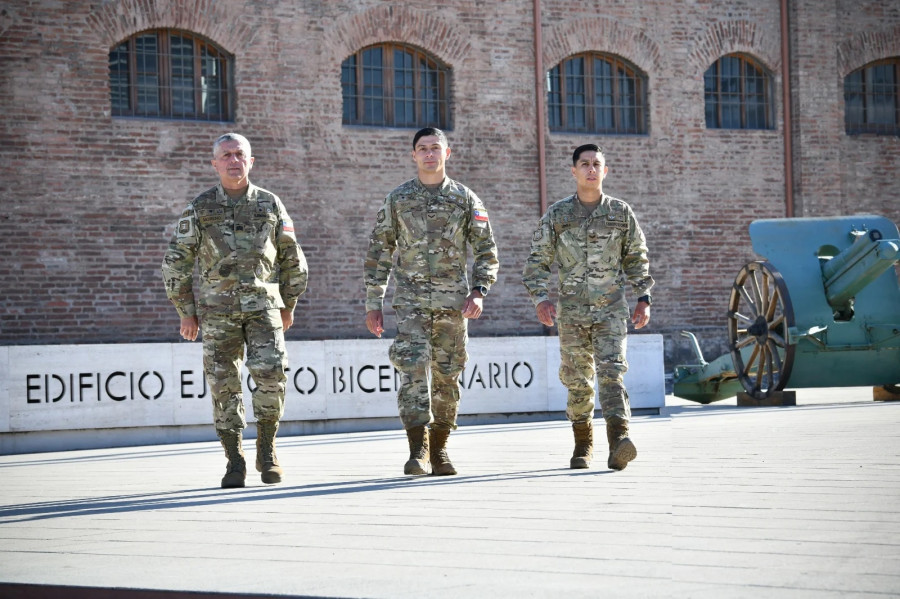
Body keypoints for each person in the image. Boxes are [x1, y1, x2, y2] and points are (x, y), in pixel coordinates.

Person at [161, 133, 308, 488]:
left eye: (239, 154)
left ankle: (267, 449)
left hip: (264, 310)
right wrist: (186, 311)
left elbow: (293, 259)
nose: (233, 160)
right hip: (217, 313)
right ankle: (234, 460)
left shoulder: (270, 205)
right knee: (223, 385)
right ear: (215, 164)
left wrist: (289, 304)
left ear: (251, 161)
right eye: (226, 155)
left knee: (272, 374)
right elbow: (175, 263)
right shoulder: (200, 208)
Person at [364, 127, 499, 476]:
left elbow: (486, 250)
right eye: (422, 149)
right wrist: (373, 302)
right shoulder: (398, 199)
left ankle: (439, 449)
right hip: (409, 303)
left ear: (447, 153)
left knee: (447, 377)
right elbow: (380, 251)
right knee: (411, 372)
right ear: (413, 155)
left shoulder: (466, 199)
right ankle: (417, 450)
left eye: (435, 148)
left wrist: (479, 291)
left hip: (453, 304)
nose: (429, 154)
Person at [522, 144, 654, 471]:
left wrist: (644, 298)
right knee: (578, 379)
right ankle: (583, 444)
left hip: (611, 310)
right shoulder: (558, 215)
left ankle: (619, 440)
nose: (591, 169)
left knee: (612, 373)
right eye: (585, 164)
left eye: (597, 164)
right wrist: (541, 298)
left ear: (605, 171)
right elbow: (537, 261)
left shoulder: (621, 213)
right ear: (574, 171)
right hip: (572, 314)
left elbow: (636, 258)